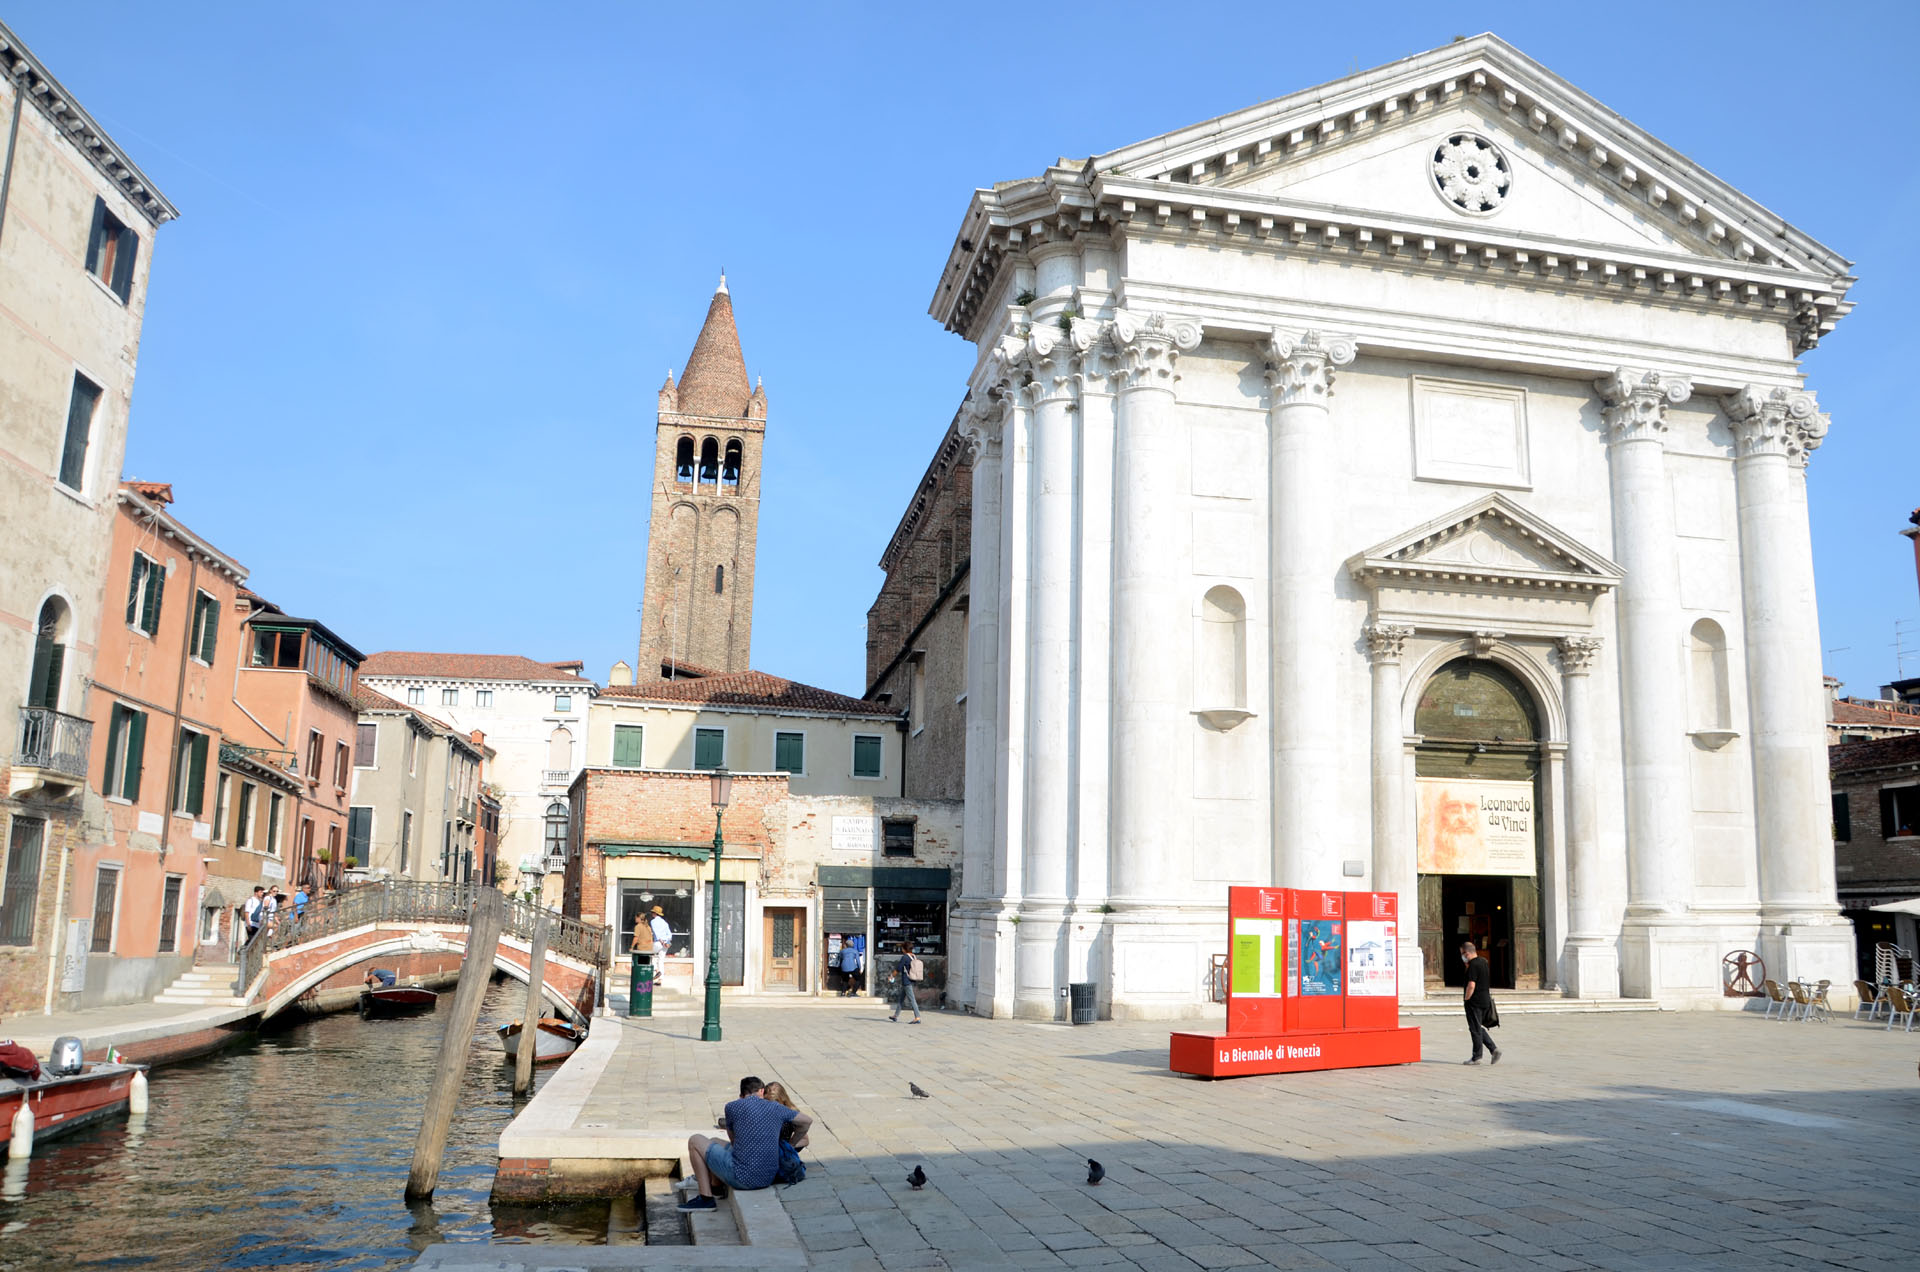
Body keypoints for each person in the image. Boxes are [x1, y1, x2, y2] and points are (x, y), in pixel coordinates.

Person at [680, 1075, 810, 1211]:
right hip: (767, 1178)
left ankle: (705, 1199)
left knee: (695, 1140)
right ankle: (715, 1188)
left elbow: (734, 1141)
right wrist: (791, 1144)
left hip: (743, 1179)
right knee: (714, 1141)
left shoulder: (732, 1106)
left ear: (741, 1094)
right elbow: (807, 1121)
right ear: (761, 1091)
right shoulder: (776, 1107)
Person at [1460, 939, 1501, 1065]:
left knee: (1475, 1029)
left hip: (1474, 1001)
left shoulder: (1473, 965)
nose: (1462, 956)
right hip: (1485, 1000)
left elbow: (1471, 985)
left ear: (1467, 953)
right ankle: (1494, 1050)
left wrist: (1467, 998)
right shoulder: (1484, 962)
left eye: (1462, 953)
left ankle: (1476, 1057)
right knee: (1477, 1026)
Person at [889, 940, 922, 1024]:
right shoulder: (913, 956)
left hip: (906, 981)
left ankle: (917, 1017)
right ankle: (895, 1015)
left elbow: (898, 968)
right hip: (912, 979)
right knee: (901, 999)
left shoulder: (905, 957)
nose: (901, 950)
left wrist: (892, 976)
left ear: (904, 949)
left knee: (912, 999)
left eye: (902, 948)